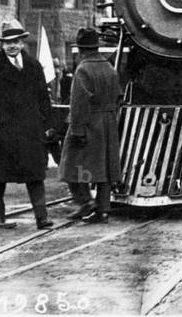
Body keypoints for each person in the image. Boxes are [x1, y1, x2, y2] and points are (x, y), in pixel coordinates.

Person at [0, 20, 55, 229]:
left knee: (35, 176)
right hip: (1, 134)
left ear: (22, 43)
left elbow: (43, 100)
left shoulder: (34, 66)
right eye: (8, 42)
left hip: (30, 132)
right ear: (2, 45)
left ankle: (41, 217)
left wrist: (48, 124)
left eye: (16, 41)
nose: (12, 46)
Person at [59, 28, 121, 224]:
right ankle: (103, 210)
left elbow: (79, 103)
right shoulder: (109, 67)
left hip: (88, 122)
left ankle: (85, 202)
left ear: (80, 49)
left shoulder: (83, 69)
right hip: (108, 122)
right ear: (97, 46)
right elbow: (119, 95)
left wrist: (77, 129)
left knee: (70, 164)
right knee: (105, 167)